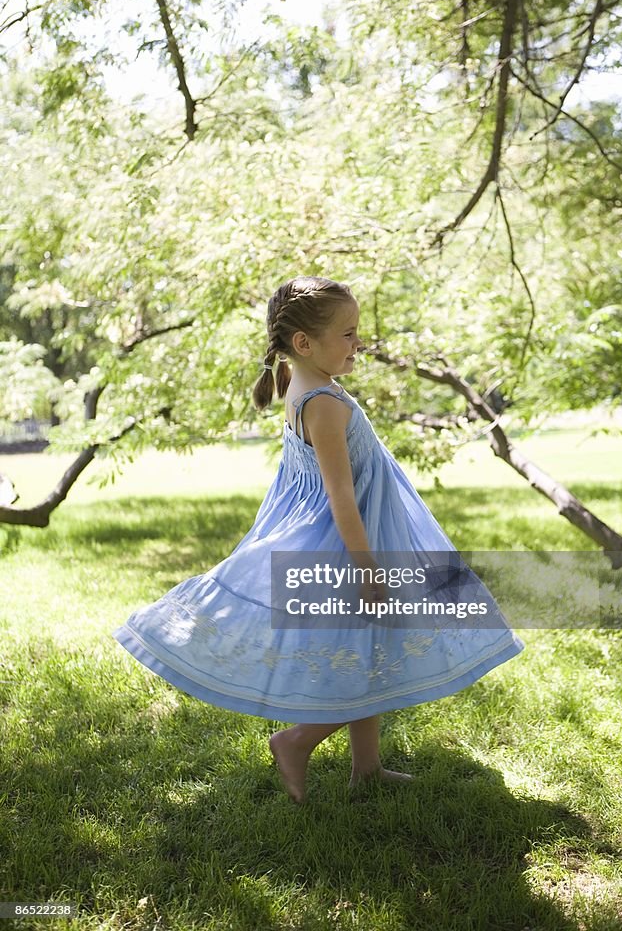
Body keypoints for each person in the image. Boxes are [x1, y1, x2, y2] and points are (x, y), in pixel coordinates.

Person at [112, 275, 524, 804]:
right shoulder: (324, 402)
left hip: (351, 536)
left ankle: (368, 768)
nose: (358, 344)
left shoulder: (305, 386)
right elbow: (341, 497)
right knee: (356, 652)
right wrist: (367, 565)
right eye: (349, 334)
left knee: (366, 647)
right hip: (348, 543)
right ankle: (295, 740)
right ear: (304, 344)